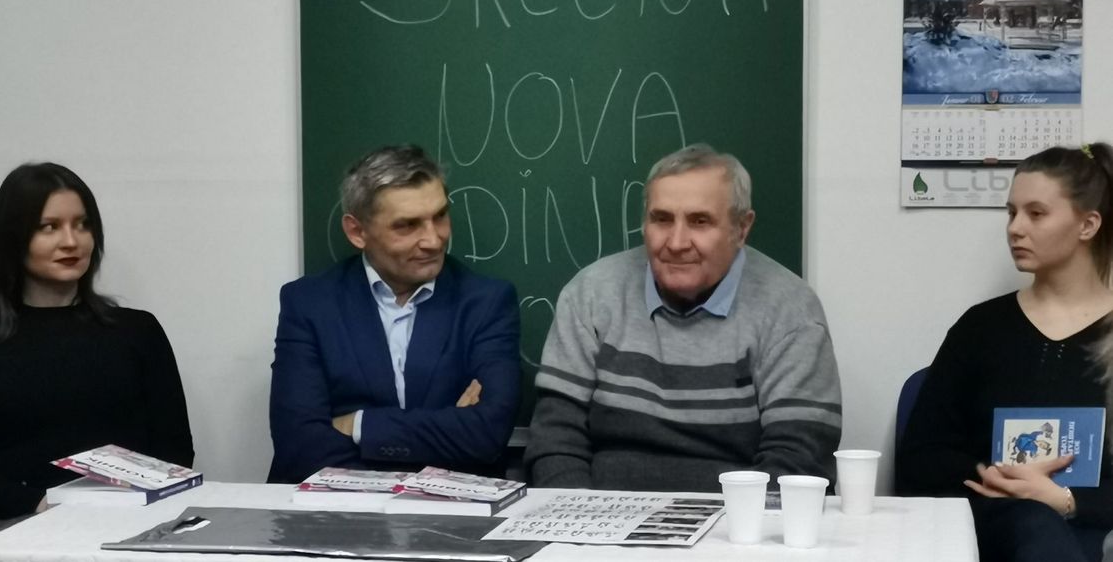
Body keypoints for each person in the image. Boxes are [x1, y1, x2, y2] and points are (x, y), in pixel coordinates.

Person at [524, 144, 842, 492]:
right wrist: (580, 518)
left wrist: (731, 526)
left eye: (699, 221)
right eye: (661, 219)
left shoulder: (790, 311)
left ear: (741, 228)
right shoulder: (591, 294)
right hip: (601, 516)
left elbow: (798, 462)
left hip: (738, 519)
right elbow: (555, 441)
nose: (676, 242)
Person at [0, 163, 194, 541]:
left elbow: (175, 451)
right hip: (22, 523)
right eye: (49, 227)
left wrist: (121, 510)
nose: (71, 241)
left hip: (133, 522)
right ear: (13, 238)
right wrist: (44, 506)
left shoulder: (138, 331)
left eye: (82, 224)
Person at [897, 143, 1113, 562]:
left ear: (1087, 225)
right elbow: (921, 459)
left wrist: (1065, 499)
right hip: (998, 526)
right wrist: (1000, 480)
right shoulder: (981, 329)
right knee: (1031, 522)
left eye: (1036, 214)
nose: (1015, 228)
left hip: (1099, 532)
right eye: (1011, 213)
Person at [267, 145, 520, 483]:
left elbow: (485, 435)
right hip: (336, 507)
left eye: (440, 216)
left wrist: (359, 424)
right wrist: (441, 435)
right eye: (407, 225)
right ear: (357, 232)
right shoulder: (309, 304)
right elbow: (299, 446)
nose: (433, 240)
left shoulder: (486, 303)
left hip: (448, 508)